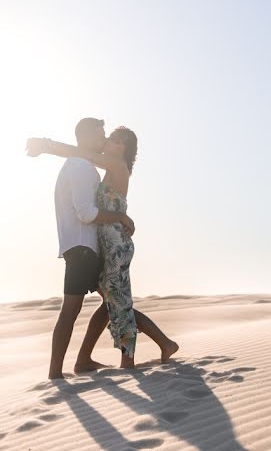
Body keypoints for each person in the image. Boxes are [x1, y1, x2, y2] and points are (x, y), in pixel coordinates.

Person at [27, 120, 179, 373]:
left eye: (113, 139)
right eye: (107, 137)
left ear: (122, 148)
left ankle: (135, 357)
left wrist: (45, 145)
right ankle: (157, 345)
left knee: (117, 300)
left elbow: (78, 152)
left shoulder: (116, 165)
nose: (107, 141)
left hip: (116, 243)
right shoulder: (108, 166)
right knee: (113, 300)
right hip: (107, 243)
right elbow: (80, 153)